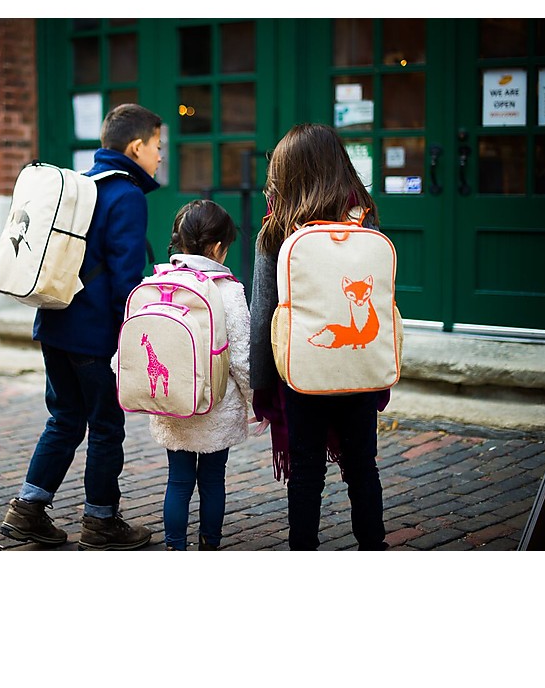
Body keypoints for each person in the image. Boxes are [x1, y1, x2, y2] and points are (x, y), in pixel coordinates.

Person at [0, 103, 163, 550]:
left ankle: (28, 508)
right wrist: (129, 337)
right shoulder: (125, 195)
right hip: (95, 337)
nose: (160, 156)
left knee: (66, 418)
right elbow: (126, 281)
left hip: (54, 323)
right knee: (106, 426)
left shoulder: (81, 186)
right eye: (157, 146)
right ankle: (101, 521)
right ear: (136, 147)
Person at [250, 123, 389, 551]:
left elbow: (263, 313)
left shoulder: (278, 229)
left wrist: (260, 381)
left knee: (307, 467)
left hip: (303, 370)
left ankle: (303, 548)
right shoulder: (365, 219)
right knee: (363, 463)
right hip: (360, 366)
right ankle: (373, 544)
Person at [147, 200, 252, 550]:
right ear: (219, 247)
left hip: (172, 400)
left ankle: (175, 547)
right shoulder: (228, 289)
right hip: (215, 405)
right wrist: (255, 402)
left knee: (177, 480)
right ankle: (210, 545)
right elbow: (241, 359)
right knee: (212, 480)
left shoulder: (158, 282)